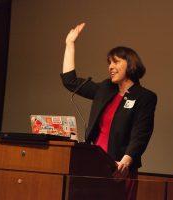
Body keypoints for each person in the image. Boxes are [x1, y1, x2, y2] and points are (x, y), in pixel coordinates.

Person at [60, 23, 157, 199]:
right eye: (109, 63)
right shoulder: (105, 88)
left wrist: (126, 162)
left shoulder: (145, 97)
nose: (110, 67)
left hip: (119, 168)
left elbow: (141, 134)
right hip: (93, 165)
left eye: (116, 62)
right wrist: (69, 44)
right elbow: (70, 82)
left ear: (131, 64)